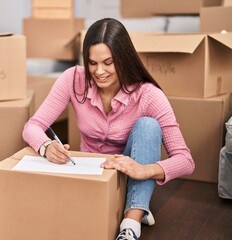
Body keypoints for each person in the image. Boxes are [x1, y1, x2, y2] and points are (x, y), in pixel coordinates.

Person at [22, 18, 195, 240]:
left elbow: (186, 161)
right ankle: (136, 207)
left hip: (131, 177)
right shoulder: (73, 79)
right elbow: (32, 126)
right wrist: (46, 146)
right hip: (90, 174)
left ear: (123, 58)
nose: (99, 71)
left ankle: (130, 225)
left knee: (148, 126)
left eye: (108, 62)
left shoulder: (149, 95)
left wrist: (144, 170)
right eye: (92, 63)